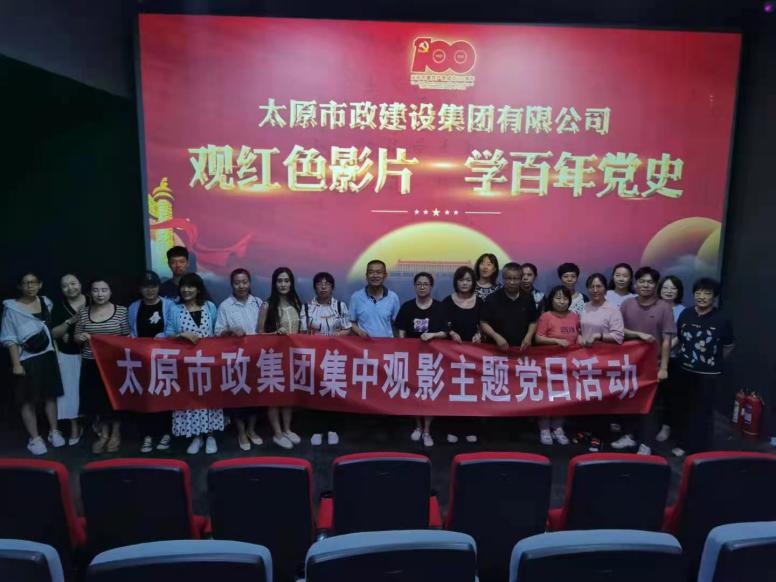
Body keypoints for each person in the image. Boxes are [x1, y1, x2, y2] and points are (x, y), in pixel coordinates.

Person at [612, 266, 675, 455]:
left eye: (650, 282)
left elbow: (667, 340)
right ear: (636, 283)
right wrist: (637, 334)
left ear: (655, 285)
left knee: (649, 406)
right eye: (642, 281)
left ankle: (646, 443)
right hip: (629, 364)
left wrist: (664, 367)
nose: (646, 285)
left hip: (652, 365)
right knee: (627, 401)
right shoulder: (627, 304)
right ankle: (629, 436)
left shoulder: (664, 307)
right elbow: (619, 330)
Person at [1, 272, 65, 455]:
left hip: (48, 356)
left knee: (50, 396)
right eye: (26, 283)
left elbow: (51, 329)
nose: (30, 286)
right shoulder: (11, 308)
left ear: (40, 284)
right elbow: (9, 338)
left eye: (33, 282)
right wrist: (16, 364)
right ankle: (35, 438)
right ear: (19, 286)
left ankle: (54, 432)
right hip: (26, 359)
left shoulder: (47, 302)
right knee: (27, 399)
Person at [674, 278, 734, 454]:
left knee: (703, 412)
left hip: (709, 374)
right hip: (684, 369)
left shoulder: (723, 318)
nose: (701, 297)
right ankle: (682, 444)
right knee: (683, 408)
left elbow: (728, 347)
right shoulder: (686, 314)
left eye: (707, 293)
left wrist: (712, 361)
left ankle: (699, 449)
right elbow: (680, 339)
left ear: (714, 297)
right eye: (698, 292)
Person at [165, 273, 222, 454]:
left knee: (209, 399)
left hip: (208, 363)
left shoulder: (210, 307)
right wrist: (180, 335)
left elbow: (217, 331)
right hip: (186, 365)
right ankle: (196, 436)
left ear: (198, 289)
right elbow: (168, 333)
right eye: (183, 286)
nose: (186, 290)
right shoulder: (175, 309)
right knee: (190, 400)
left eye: (191, 286)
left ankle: (211, 436)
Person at [74, 279, 130, 454]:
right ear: (90, 293)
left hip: (115, 364)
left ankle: (116, 434)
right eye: (96, 290)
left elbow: (128, 337)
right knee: (97, 401)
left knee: (115, 400)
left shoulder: (121, 311)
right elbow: (76, 335)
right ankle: (103, 435)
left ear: (110, 292)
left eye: (104, 290)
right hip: (91, 363)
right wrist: (80, 337)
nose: (100, 294)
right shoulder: (83, 312)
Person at [396, 272, 448, 447]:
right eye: (419, 284)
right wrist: (404, 345)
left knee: (429, 394)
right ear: (414, 286)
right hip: (412, 358)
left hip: (433, 359)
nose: (422, 287)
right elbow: (401, 330)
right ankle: (417, 426)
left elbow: (446, 332)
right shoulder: (407, 307)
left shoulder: (440, 307)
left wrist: (433, 335)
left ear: (431, 286)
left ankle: (427, 430)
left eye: (426, 284)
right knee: (414, 393)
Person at [215, 268, 264, 451]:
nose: (241, 286)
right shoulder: (225, 305)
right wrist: (230, 331)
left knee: (256, 397)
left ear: (249, 283)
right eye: (237, 283)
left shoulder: (258, 303)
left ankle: (251, 429)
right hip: (235, 359)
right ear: (232, 285)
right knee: (237, 397)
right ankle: (241, 432)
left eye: (244, 282)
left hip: (257, 358)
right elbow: (217, 332)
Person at [302, 272, 352, 447]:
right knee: (316, 392)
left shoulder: (340, 306)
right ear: (314, 287)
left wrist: (337, 336)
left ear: (332, 287)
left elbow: (347, 328)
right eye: (319, 283)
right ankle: (317, 429)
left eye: (327, 283)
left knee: (333, 392)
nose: (323, 286)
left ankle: (333, 429)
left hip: (335, 357)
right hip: (314, 357)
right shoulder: (307, 307)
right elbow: (303, 332)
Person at [128, 271, 176, 453]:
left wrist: (163, 336)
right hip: (141, 360)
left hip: (164, 359)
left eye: (153, 286)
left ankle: (166, 433)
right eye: (146, 287)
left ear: (158, 287)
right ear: (140, 289)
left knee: (165, 395)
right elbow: (131, 330)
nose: (150, 290)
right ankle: (147, 435)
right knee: (145, 396)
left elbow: (173, 328)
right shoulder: (133, 307)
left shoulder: (169, 305)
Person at [258, 267, 304, 449]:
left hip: (292, 358)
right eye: (279, 281)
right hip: (273, 358)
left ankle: (287, 429)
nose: (283, 284)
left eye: (286, 281)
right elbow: (259, 333)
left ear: (291, 283)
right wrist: (275, 333)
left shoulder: (297, 303)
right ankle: (277, 433)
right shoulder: (267, 305)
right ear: (274, 283)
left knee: (288, 396)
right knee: (274, 396)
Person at [534, 285, 579, 445]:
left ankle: (558, 428)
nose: (561, 301)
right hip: (548, 364)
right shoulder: (546, 316)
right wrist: (556, 341)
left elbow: (577, 334)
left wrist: (581, 339)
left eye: (565, 298)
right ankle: (544, 428)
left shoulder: (574, 316)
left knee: (564, 397)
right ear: (551, 300)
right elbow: (538, 338)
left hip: (568, 364)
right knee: (547, 397)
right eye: (558, 298)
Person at [442, 266, 482, 444]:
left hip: (474, 354)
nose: (464, 283)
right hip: (452, 354)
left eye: (468, 280)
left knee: (472, 391)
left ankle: (470, 428)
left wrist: (480, 334)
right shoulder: (447, 301)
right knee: (453, 391)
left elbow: (485, 323)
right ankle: (452, 428)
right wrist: (450, 332)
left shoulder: (480, 302)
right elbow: (441, 323)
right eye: (461, 280)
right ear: (456, 282)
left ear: (473, 283)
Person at [50, 273, 87, 445]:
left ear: (80, 284)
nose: (70, 288)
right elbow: (54, 333)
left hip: (92, 354)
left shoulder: (93, 299)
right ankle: (74, 426)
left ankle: (96, 424)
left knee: (93, 390)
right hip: (69, 354)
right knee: (70, 392)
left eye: (73, 283)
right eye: (65, 286)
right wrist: (70, 321)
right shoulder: (59, 306)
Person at [654, 275, 686, 447]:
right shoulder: (653, 307)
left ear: (678, 291)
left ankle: (666, 426)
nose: (668, 291)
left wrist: (662, 353)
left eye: (673, 288)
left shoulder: (683, 311)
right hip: (649, 359)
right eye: (665, 288)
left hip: (672, 359)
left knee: (669, 396)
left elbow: (680, 336)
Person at [480, 262, 538, 351]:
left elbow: (533, 321)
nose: (512, 282)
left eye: (516, 279)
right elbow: (483, 322)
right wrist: (496, 336)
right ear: (503, 279)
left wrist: (529, 336)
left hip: (521, 349)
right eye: (508, 278)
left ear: (521, 279)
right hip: (496, 349)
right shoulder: (492, 299)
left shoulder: (528, 298)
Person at [349, 260, 400, 339]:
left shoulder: (393, 297)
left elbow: (398, 325)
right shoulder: (356, 297)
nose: (375, 275)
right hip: (363, 344)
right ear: (366, 276)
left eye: (379, 272)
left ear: (385, 275)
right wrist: (360, 332)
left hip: (386, 344)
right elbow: (351, 322)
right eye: (371, 272)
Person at [579, 274, 625, 346]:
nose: (595, 290)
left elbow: (619, 337)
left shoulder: (613, 310)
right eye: (592, 287)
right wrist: (580, 338)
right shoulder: (584, 306)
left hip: (604, 351)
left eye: (599, 286)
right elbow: (580, 330)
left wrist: (598, 336)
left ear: (605, 288)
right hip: (585, 351)